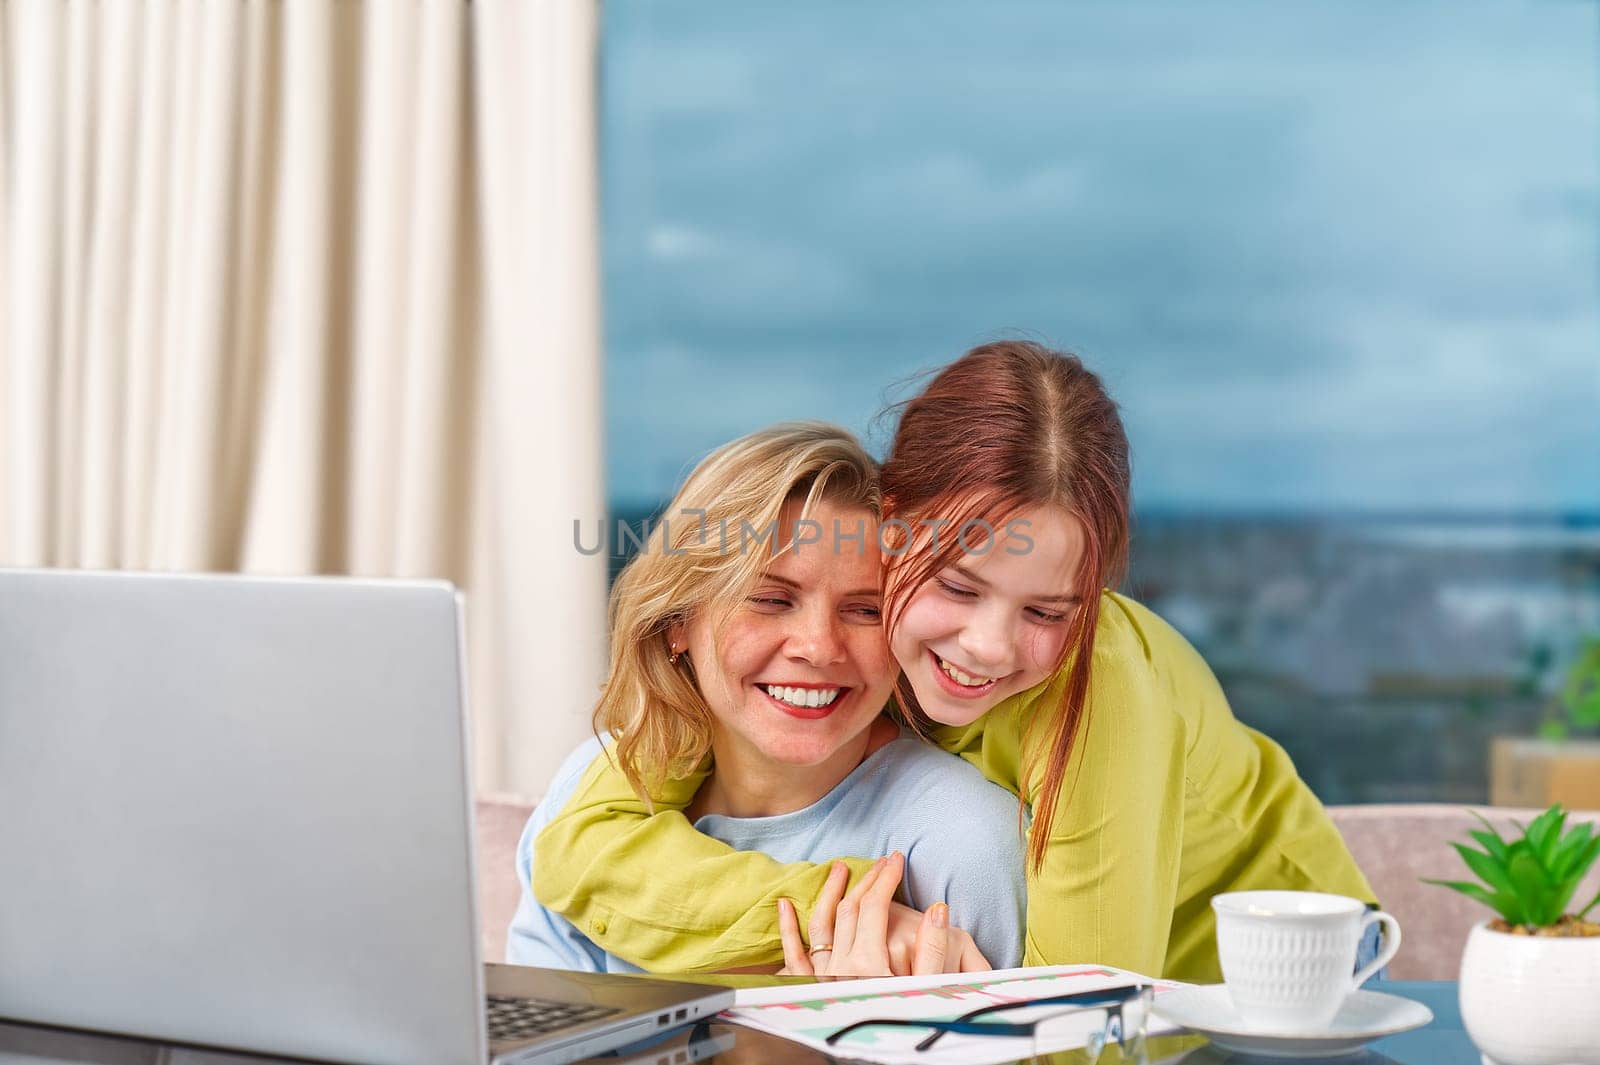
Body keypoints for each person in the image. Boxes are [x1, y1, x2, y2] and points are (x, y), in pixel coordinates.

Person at [532, 342, 1378, 983]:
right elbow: (582, 848)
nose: (988, 646)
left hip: (1277, 971)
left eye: (1048, 609)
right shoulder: (844, 642)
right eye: (959, 585)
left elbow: (1082, 1027)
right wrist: (866, 908)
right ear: (890, 527)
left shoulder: (1099, 691)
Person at [507, 422, 1026, 974]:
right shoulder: (593, 782)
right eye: (771, 599)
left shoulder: (959, 841)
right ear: (677, 622)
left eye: (866, 610)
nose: (819, 647)